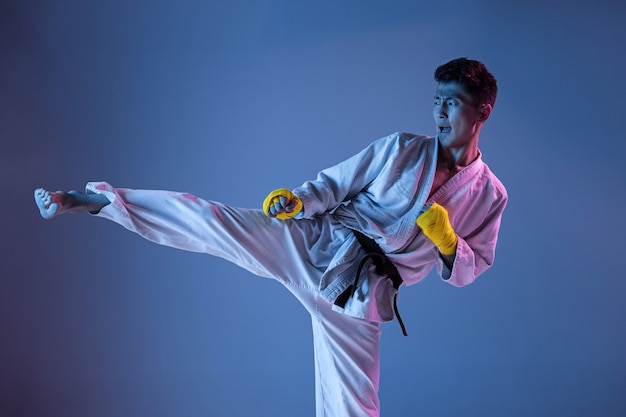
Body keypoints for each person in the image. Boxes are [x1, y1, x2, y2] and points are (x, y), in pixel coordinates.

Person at [34, 57, 507, 417]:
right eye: (437, 99)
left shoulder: (488, 195)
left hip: (362, 295)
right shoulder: (402, 148)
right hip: (317, 243)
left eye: (454, 102)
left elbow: (471, 269)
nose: (441, 112)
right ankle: (97, 200)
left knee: (353, 407)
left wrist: (448, 241)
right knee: (212, 222)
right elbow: (336, 183)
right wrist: (299, 202)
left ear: (482, 109)